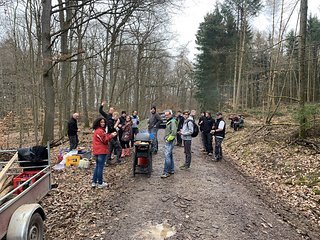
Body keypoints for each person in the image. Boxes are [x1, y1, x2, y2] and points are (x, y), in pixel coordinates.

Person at [91, 117, 117, 188]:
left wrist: (109, 135)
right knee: (100, 167)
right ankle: (100, 183)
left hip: (97, 151)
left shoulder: (98, 130)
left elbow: (104, 137)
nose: (103, 123)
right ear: (98, 123)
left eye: (104, 122)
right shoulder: (100, 131)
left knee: (97, 166)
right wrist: (112, 135)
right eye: (101, 122)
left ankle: (94, 181)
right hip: (101, 151)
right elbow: (105, 140)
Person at [161, 111, 177, 178]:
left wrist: (168, 139)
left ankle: (166, 172)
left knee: (167, 156)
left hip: (170, 141)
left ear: (171, 114)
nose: (166, 116)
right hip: (169, 140)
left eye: (167, 115)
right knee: (170, 155)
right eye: (165, 115)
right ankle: (171, 169)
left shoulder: (173, 121)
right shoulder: (170, 121)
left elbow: (173, 132)